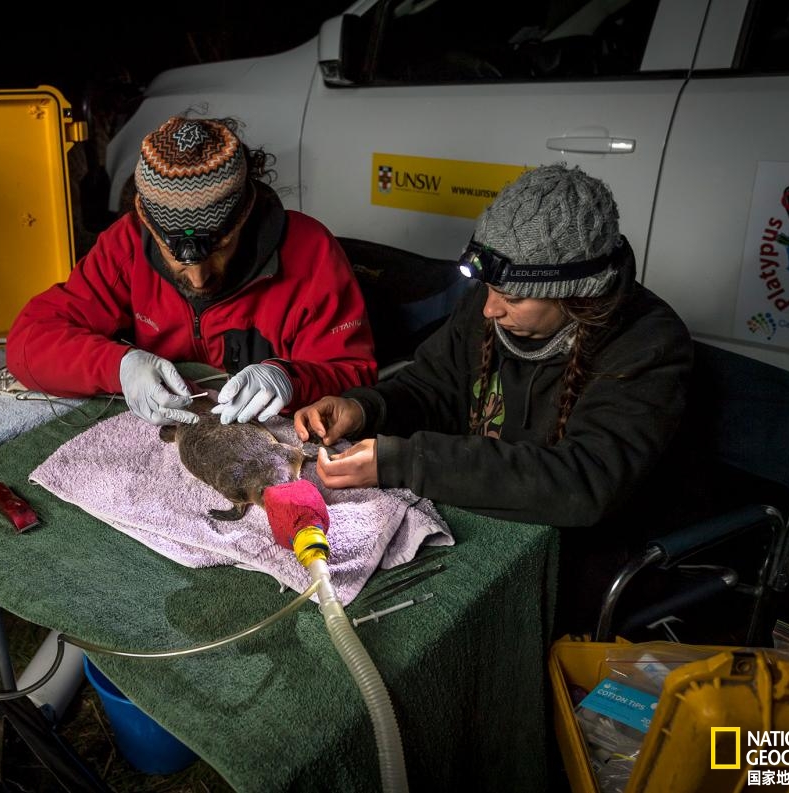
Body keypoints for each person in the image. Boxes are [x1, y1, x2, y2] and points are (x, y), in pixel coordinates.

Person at [293, 163, 693, 631]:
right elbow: (432, 387)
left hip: (580, 564)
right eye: (488, 288)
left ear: (576, 296)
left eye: (513, 298)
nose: (489, 308)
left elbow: (583, 483)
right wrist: (364, 408)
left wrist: (407, 462)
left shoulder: (649, 345)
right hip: (488, 530)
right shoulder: (490, 311)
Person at [6, 115, 376, 426]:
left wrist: (291, 379)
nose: (199, 278)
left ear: (244, 219)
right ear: (149, 226)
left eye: (218, 249)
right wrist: (118, 365)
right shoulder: (127, 244)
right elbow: (28, 343)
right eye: (176, 255)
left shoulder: (311, 251)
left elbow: (355, 371)